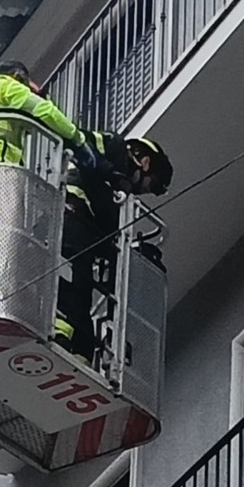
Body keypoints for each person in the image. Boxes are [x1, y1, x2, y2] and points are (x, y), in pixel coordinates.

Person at [54, 133, 173, 363]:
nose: (144, 190)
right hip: (70, 215)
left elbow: (107, 220)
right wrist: (111, 173)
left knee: (82, 291)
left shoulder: (118, 196)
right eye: (152, 184)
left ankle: (82, 353)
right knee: (72, 285)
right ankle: (60, 337)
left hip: (84, 231)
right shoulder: (113, 146)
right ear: (145, 162)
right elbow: (81, 141)